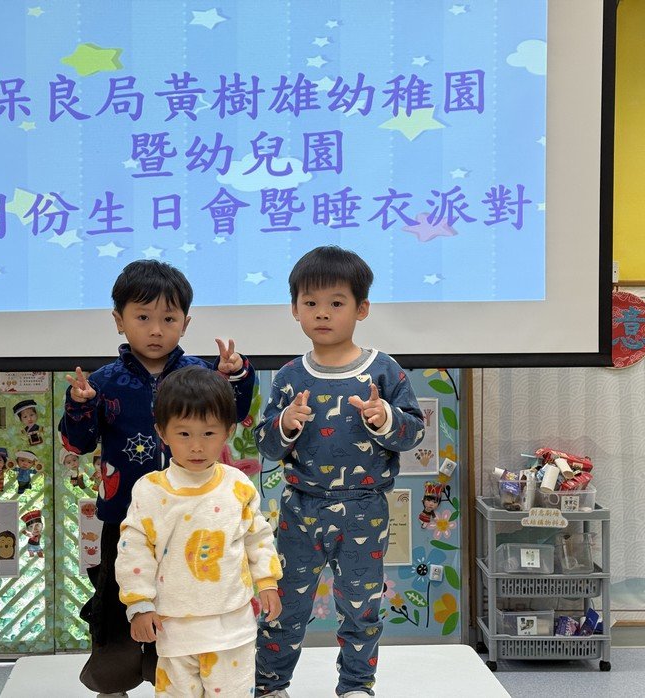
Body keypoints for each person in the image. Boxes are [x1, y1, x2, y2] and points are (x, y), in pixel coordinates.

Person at [60, 259, 257, 697]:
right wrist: (80, 405)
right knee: (119, 603)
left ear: (186, 323)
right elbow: (78, 442)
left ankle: (177, 680)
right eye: (142, 317)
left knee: (187, 605)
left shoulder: (203, 375)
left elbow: (236, 413)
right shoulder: (102, 382)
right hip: (125, 517)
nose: (155, 330)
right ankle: (113, 681)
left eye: (168, 319)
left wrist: (238, 377)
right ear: (119, 320)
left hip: (197, 520)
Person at [254, 246, 425, 698]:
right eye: (310, 303)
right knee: (285, 605)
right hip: (300, 509)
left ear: (361, 308)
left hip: (364, 509)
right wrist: (285, 424)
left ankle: (356, 685)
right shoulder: (289, 376)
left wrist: (385, 418)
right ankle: (270, 686)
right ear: (294, 309)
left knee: (361, 608)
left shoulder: (383, 370)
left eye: (336, 302)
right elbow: (265, 444)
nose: (322, 313)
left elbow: (413, 433)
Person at [117, 366, 281, 697]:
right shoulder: (150, 491)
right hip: (175, 629)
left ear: (228, 432)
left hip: (232, 629)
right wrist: (139, 605)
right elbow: (134, 551)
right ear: (162, 432)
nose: (196, 446)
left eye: (208, 434)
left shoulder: (237, 485)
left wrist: (267, 582)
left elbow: (258, 537)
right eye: (184, 434)